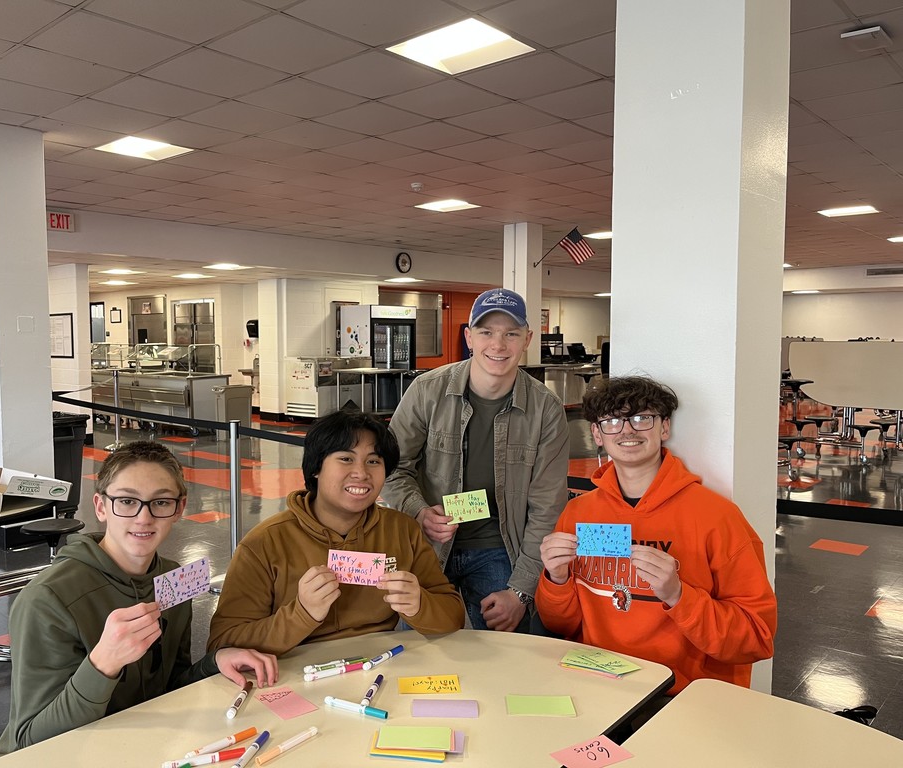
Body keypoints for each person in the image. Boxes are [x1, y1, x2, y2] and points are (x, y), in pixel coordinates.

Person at [0, 441, 277, 758]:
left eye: (160, 502)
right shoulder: (46, 600)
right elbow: (29, 742)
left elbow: (169, 687)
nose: (143, 518)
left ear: (179, 508)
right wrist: (103, 665)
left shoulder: (173, 579)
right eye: (126, 501)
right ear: (100, 507)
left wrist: (215, 663)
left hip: (139, 749)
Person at [536, 375, 777, 695]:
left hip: (680, 697)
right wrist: (556, 577)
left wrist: (679, 595)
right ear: (597, 434)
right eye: (611, 421)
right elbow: (561, 625)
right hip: (597, 684)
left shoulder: (717, 518)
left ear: (664, 427)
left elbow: (756, 639)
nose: (627, 430)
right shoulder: (578, 514)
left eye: (641, 418)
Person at [381, 288, 570, 632]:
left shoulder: (546, 409)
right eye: (486, 332)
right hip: (429, 543)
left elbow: (547, 506)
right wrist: (419, 511)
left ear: (527, 339)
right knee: (416, 652)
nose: (498, 345)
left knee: (505, 651)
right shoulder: (427, 390)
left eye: (510, 334)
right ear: (469, 337)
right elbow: (392, 467)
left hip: (499, 545)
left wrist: (520, 592)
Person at [207, 410, 464, 656]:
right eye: (346, 458)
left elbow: (452, 615)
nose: (362, 473)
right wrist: (302, 614)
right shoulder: (264, 542)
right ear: (316, 467)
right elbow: (223, 642)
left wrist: (420, 604)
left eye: (373, 461)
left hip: (378, 667)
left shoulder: (401, 530)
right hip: (291, 674)